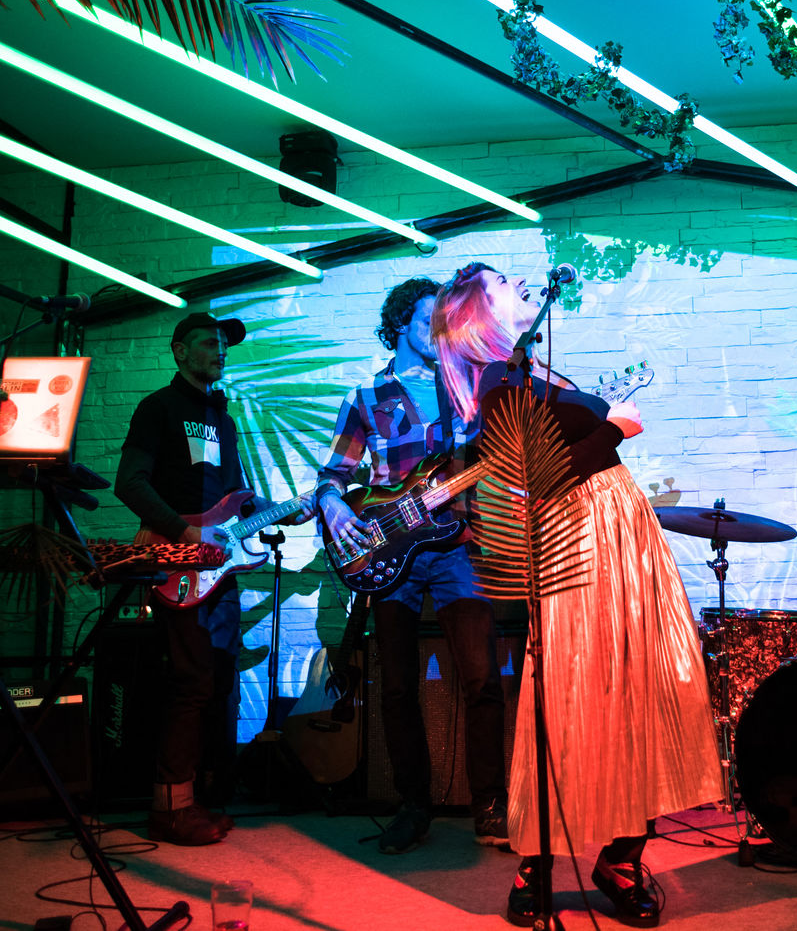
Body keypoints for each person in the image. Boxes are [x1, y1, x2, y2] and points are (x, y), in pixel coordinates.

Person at [432, 262, 722, 928]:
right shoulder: (498, 379)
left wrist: (606, 424)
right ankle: (536, 863)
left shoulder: (537, 372)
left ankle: (622, 857)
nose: (519, 283)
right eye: (502, 282)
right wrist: (616, 427)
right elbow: (541, 476)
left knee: (635, 688)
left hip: (619, 528)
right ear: (479, 313)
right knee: (568, 692)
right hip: (578, 536)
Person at [316, 278, 509, 854]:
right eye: (430, 321)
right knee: (396, 685)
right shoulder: (366, 397)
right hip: (387, 549)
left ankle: (490, 806)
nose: (442, 331)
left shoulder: (466, 386)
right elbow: (333, 475)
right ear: (401, 324)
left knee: (482, 678)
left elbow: (496, 455)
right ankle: (413, 805)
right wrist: (331, 503)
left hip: (457, 544)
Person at [116, 311, 312, 846]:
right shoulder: (158, 408)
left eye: (224, 344)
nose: (220, 351)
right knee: (191, 681)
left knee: (217, 679)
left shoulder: (222, 420)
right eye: (208, 342)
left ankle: (199, 794)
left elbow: (236, 500)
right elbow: (129, 483)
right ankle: (170, 807)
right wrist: (185, 534)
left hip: (218, 572)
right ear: (180, 351)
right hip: (178, 563)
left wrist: (283, 510)